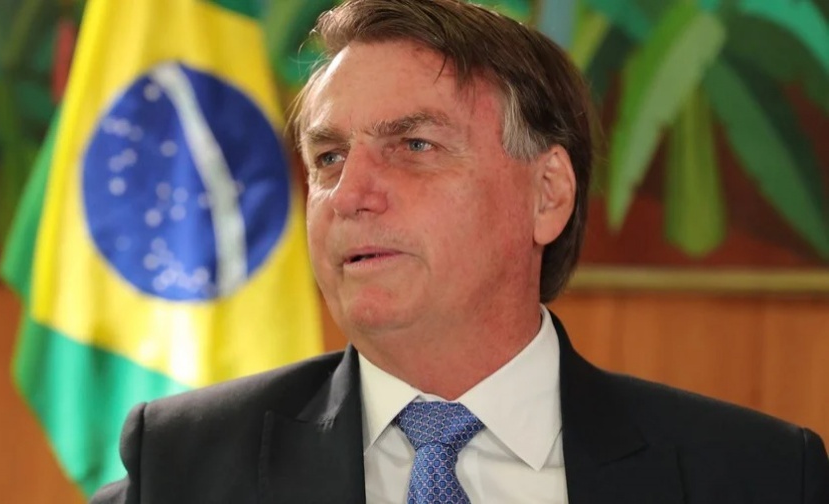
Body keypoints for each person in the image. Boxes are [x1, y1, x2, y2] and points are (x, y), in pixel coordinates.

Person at [91, 0, 829, 502]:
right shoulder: (184, 465)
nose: (350, 194)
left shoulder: (756, 475)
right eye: (328, 158)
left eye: (414, 145)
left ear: (547, 194)